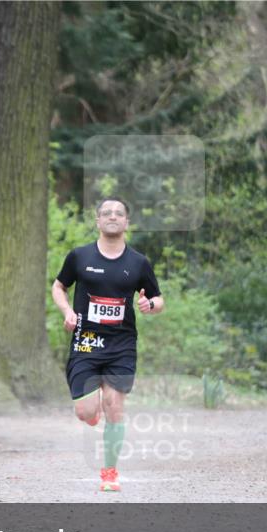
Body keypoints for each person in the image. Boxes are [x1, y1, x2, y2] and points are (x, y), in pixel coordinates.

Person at [51, 197, 164, 492]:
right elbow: (58, 286)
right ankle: (92, 412)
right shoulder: (79, 257)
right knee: (86, 413)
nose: (112, 217)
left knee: (115, 404)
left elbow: (158, 298)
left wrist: (150, 303)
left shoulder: (138, 262)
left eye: (119, 213)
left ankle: (110, 473)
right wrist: (67, 311)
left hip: (121, 345)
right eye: (106, 213)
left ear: (127, 222)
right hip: (86, 343)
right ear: (98, 221)